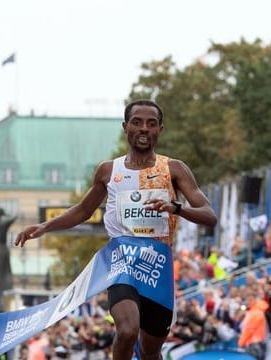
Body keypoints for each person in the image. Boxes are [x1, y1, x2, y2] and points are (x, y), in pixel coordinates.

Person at [15, 99, 217, 360]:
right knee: (127, 330)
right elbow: (83, 210)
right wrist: (45, 226)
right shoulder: (109, 171)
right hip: (122, 260)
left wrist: (176, 207)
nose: (144, 128)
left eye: (151, 124)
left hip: (157, 265)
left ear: (160, 130)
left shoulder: (173, 169)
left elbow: (209, 215)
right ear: (125, 127)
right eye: (137, 122)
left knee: (150, 353)